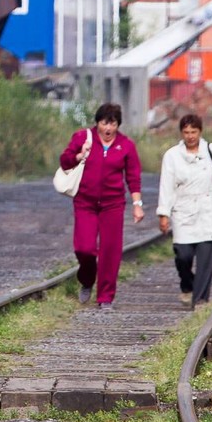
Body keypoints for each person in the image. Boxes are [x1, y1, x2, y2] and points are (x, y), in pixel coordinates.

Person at [59, 102, 143, 310]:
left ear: (118, 125)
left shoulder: (126, 145)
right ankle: (87, 279)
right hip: (85, 202)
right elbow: (65, 161)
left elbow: (133, 176)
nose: (108, 129)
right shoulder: (82, 138)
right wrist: (80, 155)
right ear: (97, 123)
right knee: (84, 248)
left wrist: (137, 203)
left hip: (113, 205)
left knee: (110, 251)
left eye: (112, 124)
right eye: (104, 123)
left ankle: (105, 297)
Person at [157, 114, 212, 309]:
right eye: (186, 132)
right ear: (181, 133)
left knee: (206, 259)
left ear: (200, 131)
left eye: (194, 132)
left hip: (210, 209)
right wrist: (163, 214)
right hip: (183, 209)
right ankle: (187, 285)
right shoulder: (172, 156)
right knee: (183, 254)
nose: (190, 136)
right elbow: (166, 185)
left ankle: (200, 300)